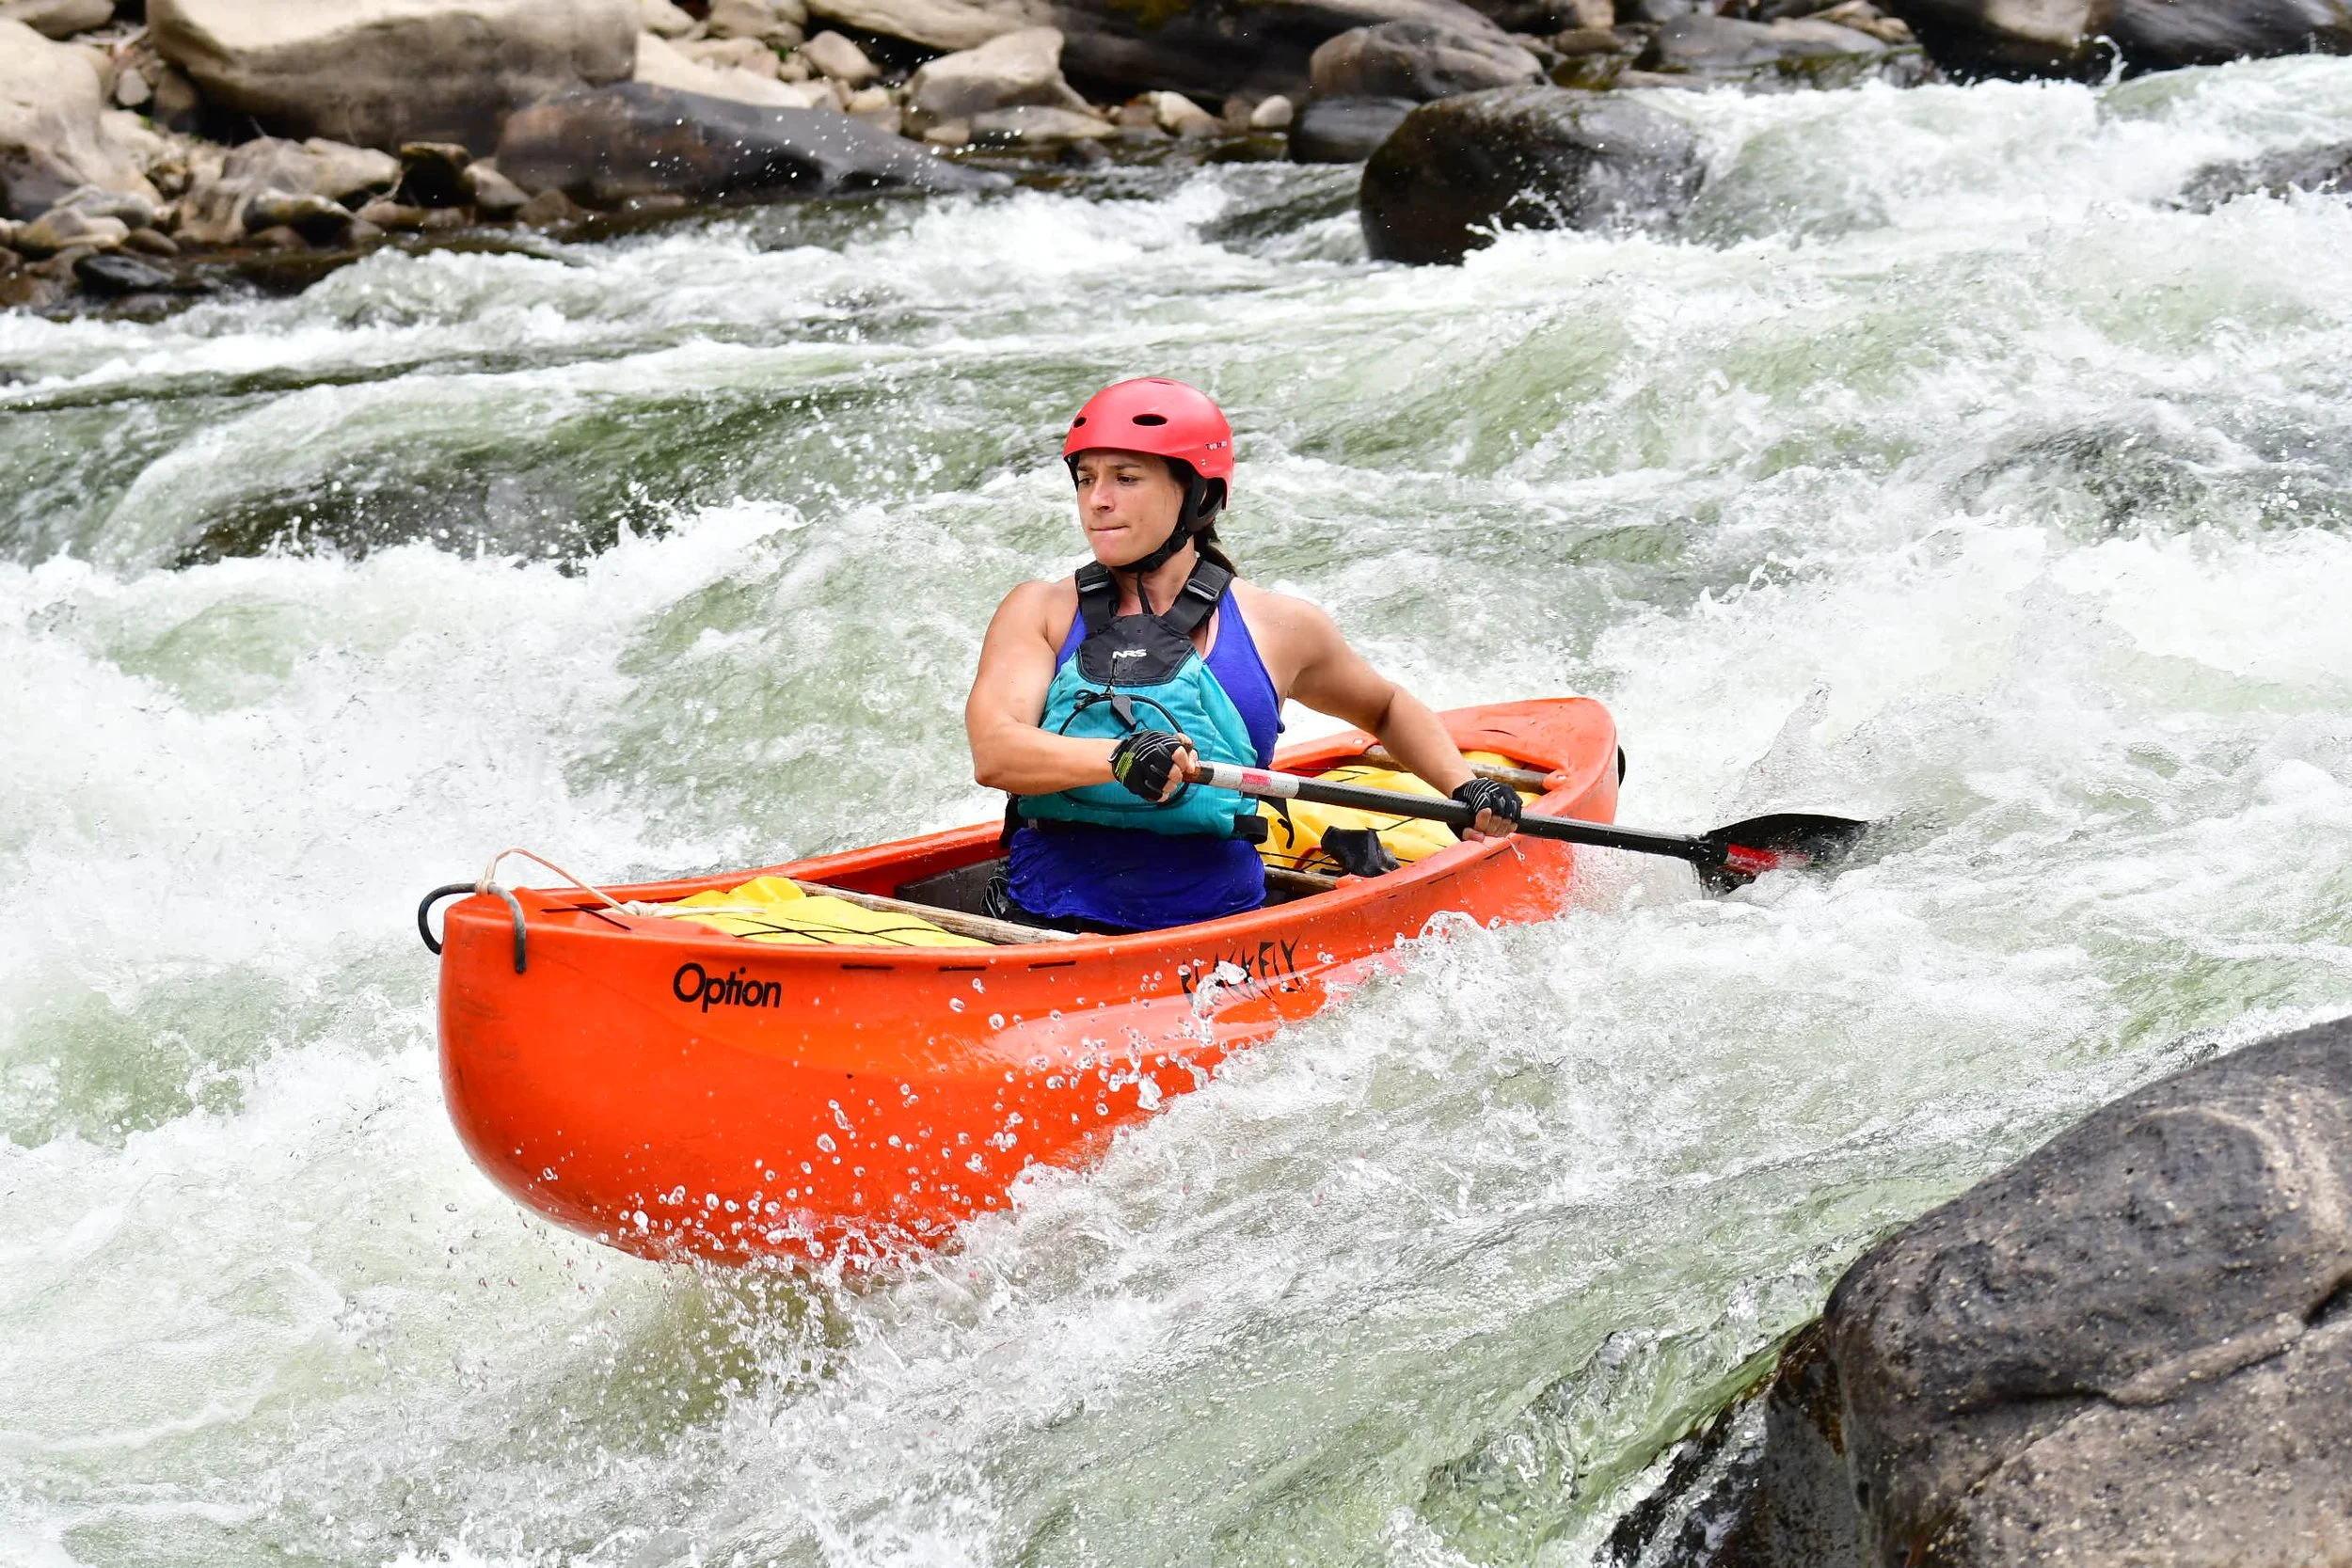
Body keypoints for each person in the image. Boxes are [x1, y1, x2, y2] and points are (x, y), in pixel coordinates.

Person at [964, 377, 1522, 933]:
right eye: (1086, 479)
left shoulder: (1279, 626)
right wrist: (1118, 757)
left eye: (1126, 478)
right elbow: (995, 751)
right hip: (1045, 919)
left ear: (1198, 494)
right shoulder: (1040, 610)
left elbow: (1385, 708)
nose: (1097, 500)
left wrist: (1462, 785)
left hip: (1227, 935)